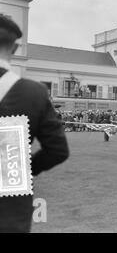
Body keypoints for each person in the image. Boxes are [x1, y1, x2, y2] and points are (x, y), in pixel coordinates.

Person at [0, 15, 69, 232]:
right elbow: (58, 150)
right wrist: (22, 170)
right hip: (8, 209)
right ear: (15, 48)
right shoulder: (33, 92)